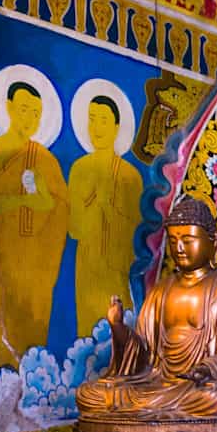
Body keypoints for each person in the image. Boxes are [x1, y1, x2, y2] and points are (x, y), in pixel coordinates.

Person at [75, 198, 217, 421]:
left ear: (213, 242)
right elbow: (143, 356)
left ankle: (158, 415)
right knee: (89, 395)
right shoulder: (161, 291)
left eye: (188, 240)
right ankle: (158, 415)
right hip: (157, 385)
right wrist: (119, 328)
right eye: (173, 240)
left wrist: (206, 369)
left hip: (199, 388)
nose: (179, 248)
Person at [0, 80, 69, 367]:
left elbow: (59, 209)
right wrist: (22, 201)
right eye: (23, 110)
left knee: (35, 313)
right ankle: (5, 369)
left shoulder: (45, 159)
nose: (29, 118)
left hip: (37, 259)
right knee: (5, 312)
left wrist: (40, 196)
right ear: (8, 108)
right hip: (6, 248)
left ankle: (32, 373)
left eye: (35, 112)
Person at [68, 94, 143, 336]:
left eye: (103, 120)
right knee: (87, 334)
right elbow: (74, 228)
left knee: (121, 330)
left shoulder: (130, 176)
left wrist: (109, 206)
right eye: (92, 120)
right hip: (88, 266)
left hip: (117, 268)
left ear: (116, 127)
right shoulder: (79, 169)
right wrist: (92, 202)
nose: (96, 128)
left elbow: (137, 235)